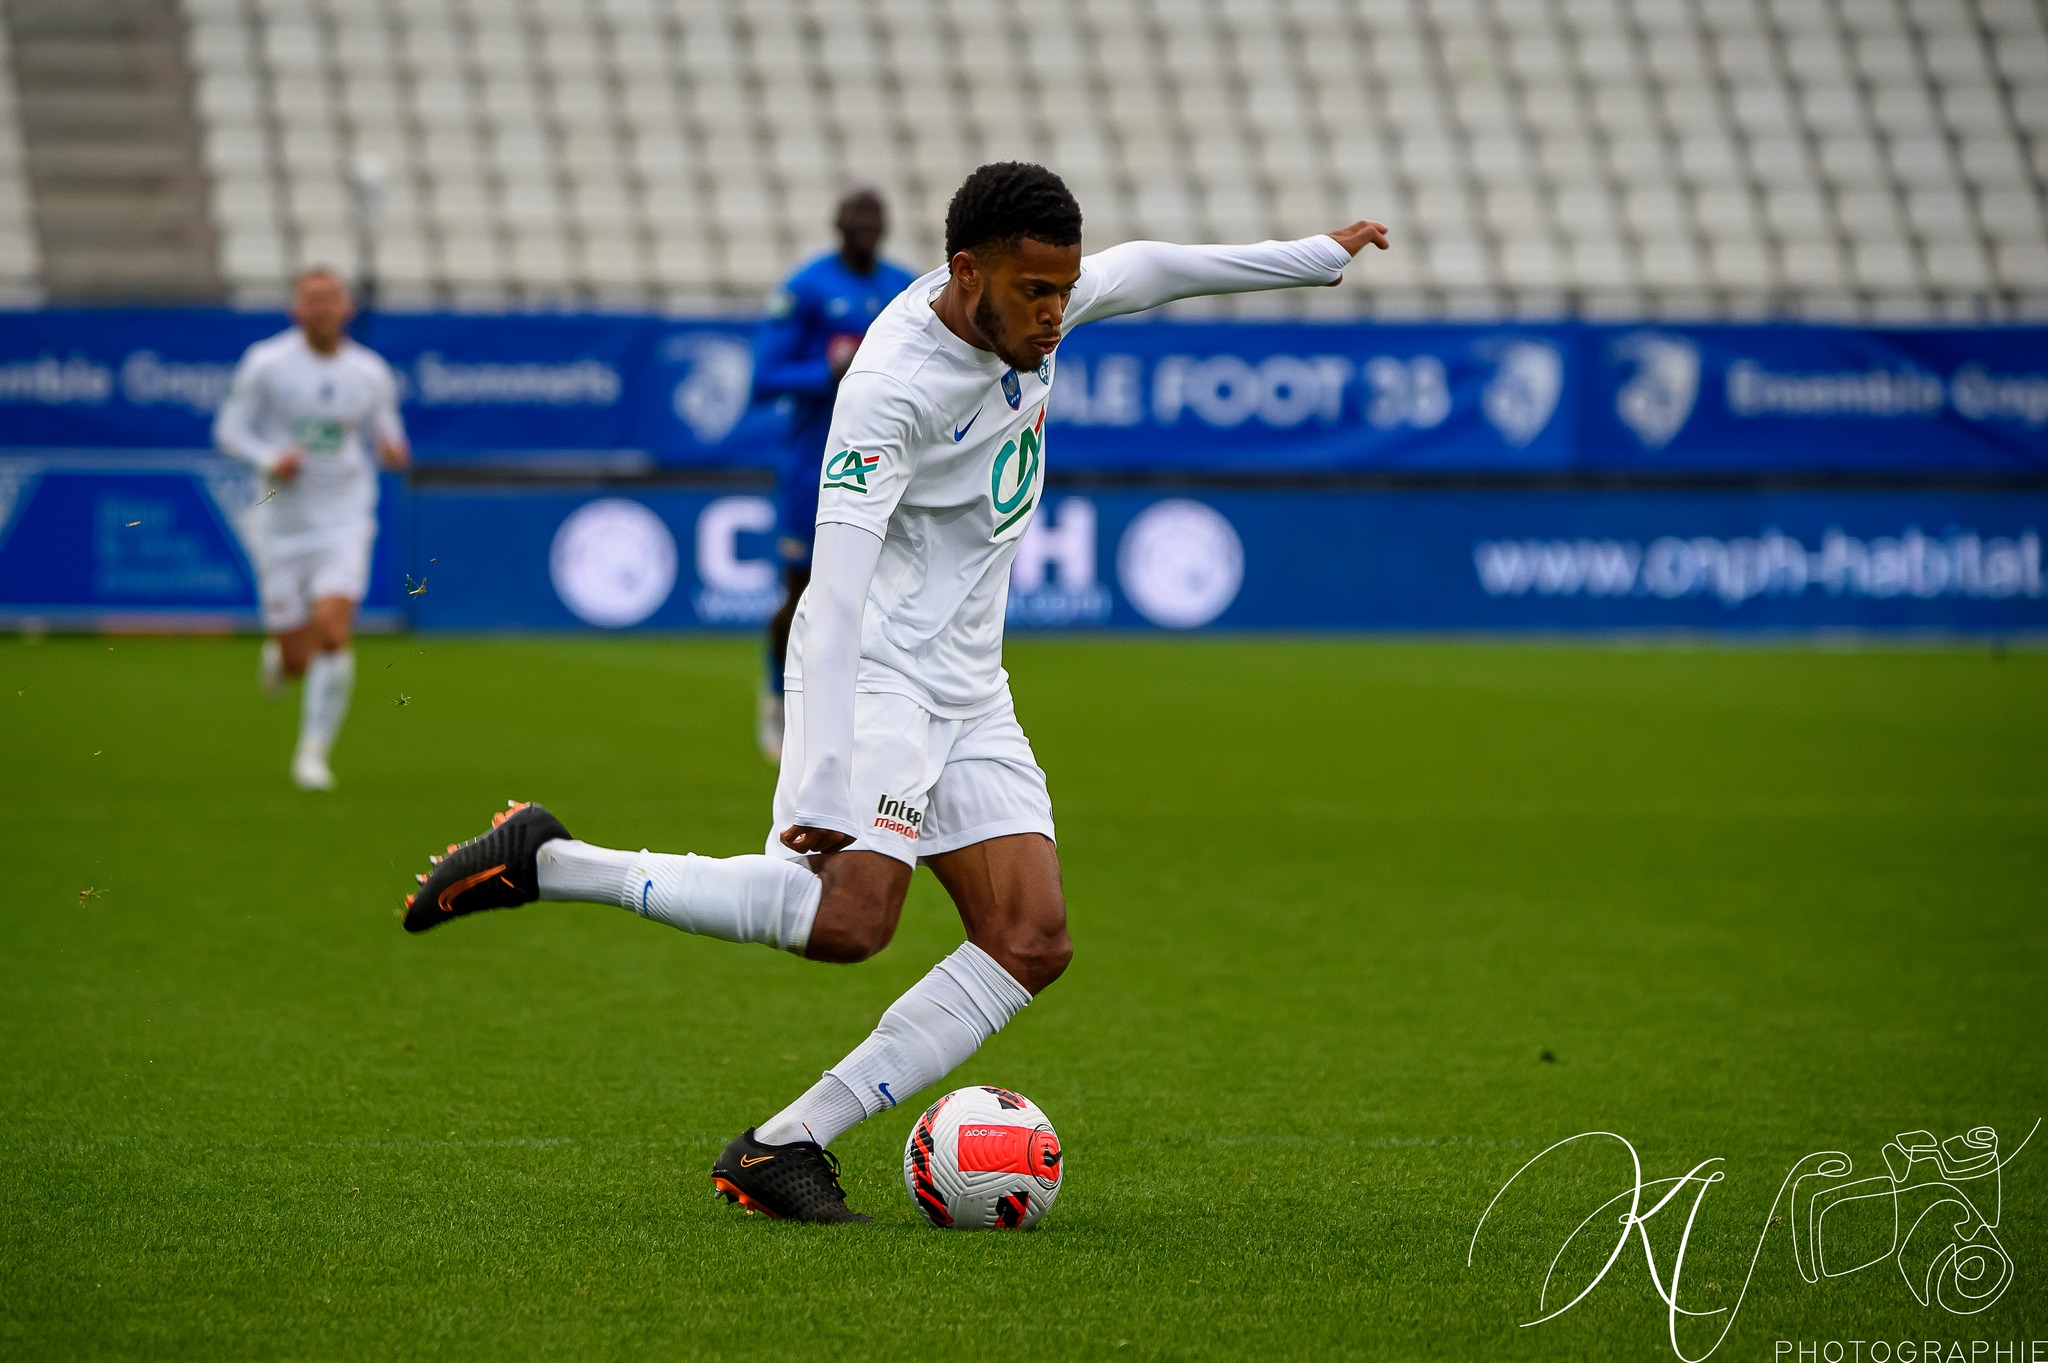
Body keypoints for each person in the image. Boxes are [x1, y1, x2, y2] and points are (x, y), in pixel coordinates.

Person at [402, 163, 1389, 1222]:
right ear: (967, 273)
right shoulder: (888, 392)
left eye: (1061, 291)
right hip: (878, 672)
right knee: (851, 923)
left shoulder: (1036, 301)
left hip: (970, 681)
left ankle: (781, 1145)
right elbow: (829, 596)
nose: (1055, 313)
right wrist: (818, 776)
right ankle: (552, 863)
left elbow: (1141, 269)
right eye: (1033, 293)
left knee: (1031, 938)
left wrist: (1311, 258)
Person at [215, 268, 410, 790]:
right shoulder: (266, 363)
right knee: (298, 658)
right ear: (295, 310)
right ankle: (281, 656)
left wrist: (393, 452)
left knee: (332, 629)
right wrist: (270, 457)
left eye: (331, 299)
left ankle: (312, 754)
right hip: (281, 521)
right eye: (312, 300)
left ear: (346, 309)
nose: (322, 309)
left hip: (345, 516)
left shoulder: (370, 372)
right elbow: (229, 430)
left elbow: (389, 436)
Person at [752, 186, 916, 761]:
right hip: (816, 464)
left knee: (884, 593)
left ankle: (865, 710)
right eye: (857, 220)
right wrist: (827, 369)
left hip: (888, 464)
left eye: (876, 219)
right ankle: (777, 695)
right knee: (802, 595)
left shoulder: (904, 288)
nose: (867, 229)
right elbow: (764, 376)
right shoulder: (807, 289)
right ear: (839, 225)